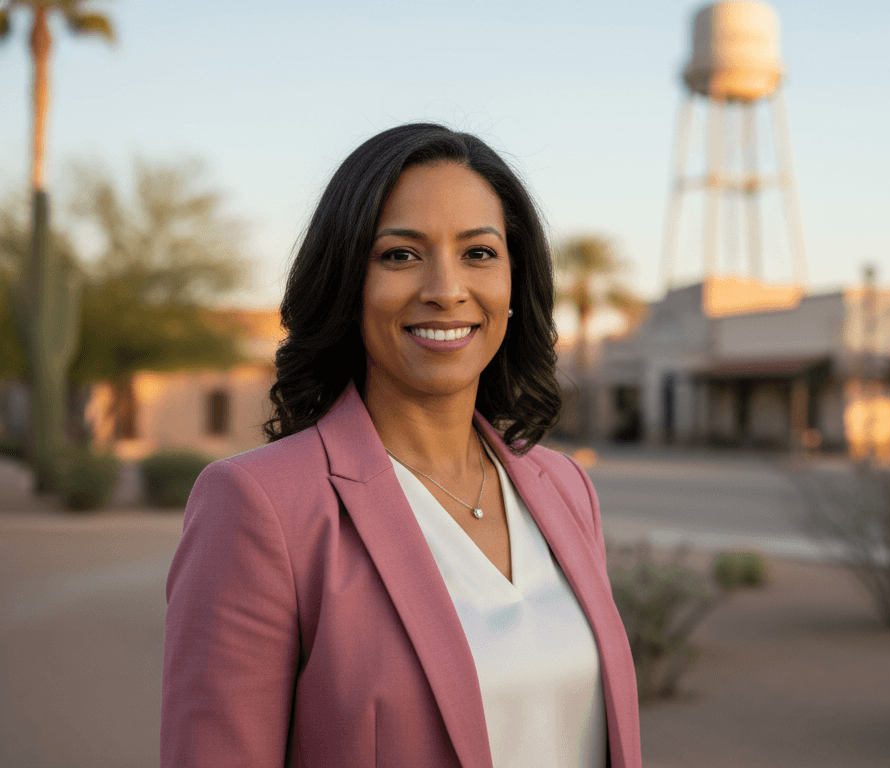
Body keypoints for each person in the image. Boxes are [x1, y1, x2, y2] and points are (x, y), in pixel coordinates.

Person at [161, 123, 641, 768]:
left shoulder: (566, 489)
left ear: (513, 282)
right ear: (346, 281)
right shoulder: (259, 507)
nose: (446, 289)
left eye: (478, 253)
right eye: (400, 254)